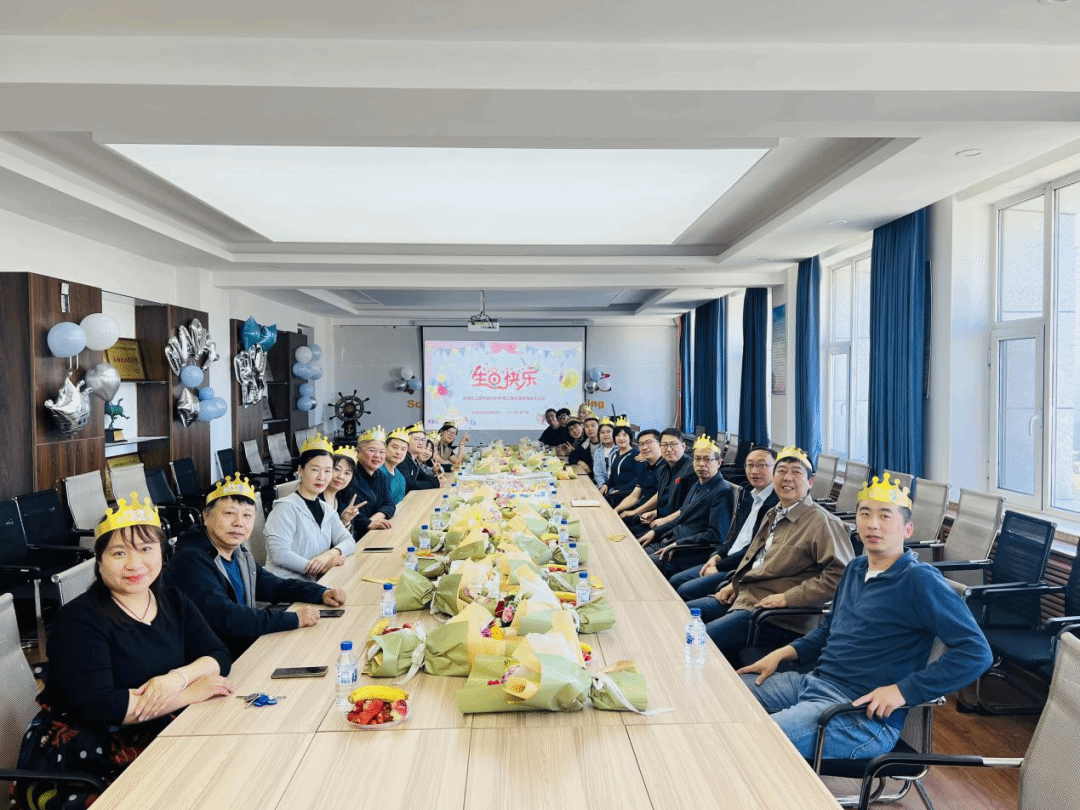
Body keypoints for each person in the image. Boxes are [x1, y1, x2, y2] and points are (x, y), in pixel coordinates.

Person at [738, 473, 993, 761]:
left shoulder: (920, 581)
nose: (873, 524)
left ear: (908, 529)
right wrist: (783, 653)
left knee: (752, 741)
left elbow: (977, 653)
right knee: (723, 693)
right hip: (813, 683)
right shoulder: (856, 568)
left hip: (860, 714)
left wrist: (902, 691)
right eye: (865, 514)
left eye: (885, 516)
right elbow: (828, 630)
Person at [14, 494, 234, 809]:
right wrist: (190, 692)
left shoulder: (173, 600)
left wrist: (175, 679)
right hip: (84, 760)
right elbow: (105, 706)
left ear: (162, 552)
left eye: (146, 549)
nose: (134, 564)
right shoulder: (78, 621)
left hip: (156, 731)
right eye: (119, 552)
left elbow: (218, 655)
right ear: (99, 560)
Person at [685, 446, 853, 661]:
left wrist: (788, 598)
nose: (787, 478)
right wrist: (735, 584)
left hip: (775, 616)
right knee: (681, 615)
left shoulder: (822, 522)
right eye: (781, 471)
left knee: (696, 639)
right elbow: (757, 558)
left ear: (811, 482)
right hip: (746, 597)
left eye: (796, 472)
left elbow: (841, 577)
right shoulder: (774, 512)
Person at [167, 475, 347, 658]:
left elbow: (275, 586)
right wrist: (294, 619)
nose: (239, 523)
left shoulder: (238, 553)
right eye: (229, 513)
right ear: (206, 516)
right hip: (211, 661)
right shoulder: (190, 561)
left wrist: (321, 593)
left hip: (241, 647)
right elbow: (228, 618)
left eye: (247, 515)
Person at [670, 445, 778, 599]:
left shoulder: (774, 506)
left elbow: (753, 550)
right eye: (750, 465)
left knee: (684, 589)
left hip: (739, 567)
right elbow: (735, 538)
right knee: (676, 580)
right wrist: (717, 556)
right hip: (727, 558)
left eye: (762, 465)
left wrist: (719, 566)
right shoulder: (749, 496)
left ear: (775, 469)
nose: (754, 471)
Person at [640, 435, 735, 577]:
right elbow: (681, 517)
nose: (701, 464)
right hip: (670, 541)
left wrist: (678, 543)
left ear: (719, 463)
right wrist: (655, 532)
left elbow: (715, 535)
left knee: (640, 563)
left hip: (686, 552)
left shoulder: (722, 492)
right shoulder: (698, 484)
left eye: (707, 459)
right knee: (633, 550)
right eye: (697, 459)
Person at [264, 434, 357, 581]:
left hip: (316, 583)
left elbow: (349, 542)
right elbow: (279, 554)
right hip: (284, 585)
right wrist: (321, 568)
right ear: (300, 470)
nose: (321, 477)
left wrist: (328, 555)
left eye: (327, 471)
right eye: (315, 470)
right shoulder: (284, 508)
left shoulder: (326, 509)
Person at [624, 427, 692, 533]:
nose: (669, 449)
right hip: (659, 520)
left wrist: (664, 520)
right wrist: (655, 513)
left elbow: (691, 506)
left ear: (683, 446)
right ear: (660, 447)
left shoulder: (691, 469)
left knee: (628, 535)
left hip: (677, 527)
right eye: (664, 445)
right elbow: (664, 498)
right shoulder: (663, 469)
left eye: (673, 444)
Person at [343, 425, 397, 537]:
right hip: (355, 535)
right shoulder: (349, 476)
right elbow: (346, 513)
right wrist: (368, 523)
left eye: (382, 452)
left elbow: (389, 504)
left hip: (374, 531)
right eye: (372, 450)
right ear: (358, 452)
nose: (377, 456)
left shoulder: (380, 474)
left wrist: (373, 520)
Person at [613, 428, 663, 517]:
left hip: (652, 515)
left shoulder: (665, 467)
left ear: (660, 444)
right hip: (640, 510)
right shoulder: (646, 467)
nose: (645, 447)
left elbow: (659, 497)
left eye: (649, 442)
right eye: (641, 444)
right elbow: (635, 496)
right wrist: (616, 509)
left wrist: (635, 512)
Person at [600, 421, 641, 508]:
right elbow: (613, 476)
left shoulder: (636, 454)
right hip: (615, 494)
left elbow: (639, 478)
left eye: (624, 435)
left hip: (630, 495)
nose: (621, 438)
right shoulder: (614, 454)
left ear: (630, 437)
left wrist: (621, 491)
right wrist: (606, 484)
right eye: (618, 435)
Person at [322, 445, 364, 530]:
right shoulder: (314, 499)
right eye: (337, 469)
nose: (340, 476)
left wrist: (345, 521)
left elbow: (350, 537)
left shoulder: (345, 502)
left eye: (347, 473)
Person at [400, 423, 443, 491]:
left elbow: (423, 477)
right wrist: (435, 483)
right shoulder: (402, 459)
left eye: (423, 440)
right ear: (407, 440)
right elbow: (409, 484)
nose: (421, 443)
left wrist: (437, 480)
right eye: (417, 439)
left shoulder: (414, 460)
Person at [381, 426, 411, 504]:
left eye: (403, 449)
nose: (398, 452)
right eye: (395, 447)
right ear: (385, 447)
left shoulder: (401, 478)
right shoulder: (377, 472)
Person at [592, 418, 616, 488]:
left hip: (617, 487)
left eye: (608, 432)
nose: (605, 435)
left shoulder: (620, 450)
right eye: (602, 432)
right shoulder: (598, 452)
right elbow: (598, 473)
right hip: (602, 486)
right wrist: (602, 485)